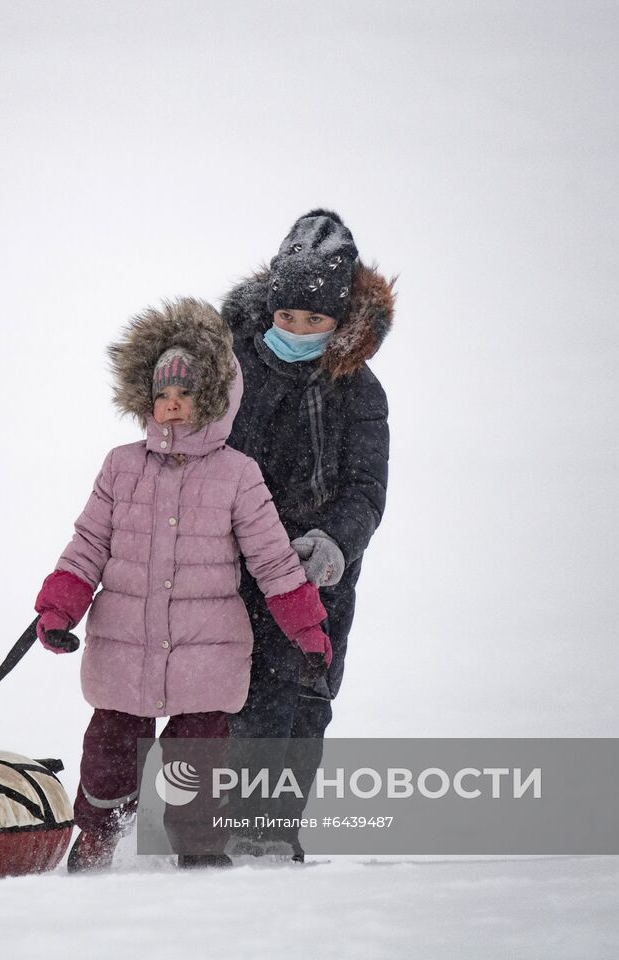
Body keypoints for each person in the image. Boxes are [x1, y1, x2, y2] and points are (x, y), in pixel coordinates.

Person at [32, 297, 332, 872]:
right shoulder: (120, 466)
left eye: (185, 397)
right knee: (108, 754)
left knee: (196, 762)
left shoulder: (238, 474)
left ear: (213, 400)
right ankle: (97, 839)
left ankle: (198, 850)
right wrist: (58, 607)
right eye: (162, 397)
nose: (171, 408)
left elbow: (273, 561)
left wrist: (308, 627)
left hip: (206, 652)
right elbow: (88, 545)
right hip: (125, 645)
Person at [220, 208, 395, 857]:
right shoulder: (229, 369)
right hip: (236, 567)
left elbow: (365, 490)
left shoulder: (360, 391)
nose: (297, 330)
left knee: (305, 697)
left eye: (313, 321)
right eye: (286, 317)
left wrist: (334, 544)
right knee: (241, 696)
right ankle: (224, 830)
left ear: (339, 321)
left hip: (317, 577)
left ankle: (273, 833)